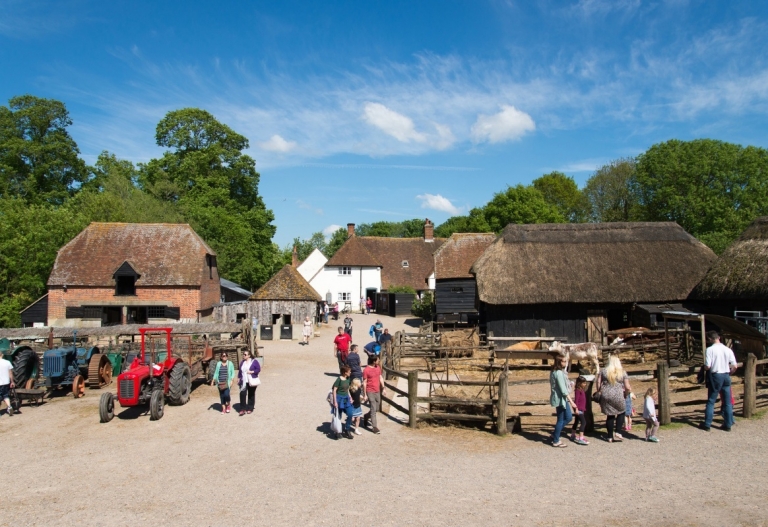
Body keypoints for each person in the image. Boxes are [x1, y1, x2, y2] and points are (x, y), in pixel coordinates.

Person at [702, 330, 737, 432]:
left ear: (710, 339)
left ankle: (707, 424)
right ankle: (728, 424)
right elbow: (734, 365)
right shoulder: (727, 349)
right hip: (726, 374)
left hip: (716, 375)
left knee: (711, 401)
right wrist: (730, 373)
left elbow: (708, 366)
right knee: (727, 402)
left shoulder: (709, 349)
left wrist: (704, 369)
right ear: (719, 338)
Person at [596, 355, 632, 442]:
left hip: (606, 395)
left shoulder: (603, 371)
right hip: (618, 395)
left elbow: (598, 382)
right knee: (622, 411)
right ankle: (618, 431)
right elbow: (627, 387)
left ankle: (609, 436)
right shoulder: (622, 372)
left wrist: (599, 391)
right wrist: (626, 394)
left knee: (610, 415)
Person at [549, 352, 575, 447]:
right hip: (560, 399)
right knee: (561, 419)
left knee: (568, 417)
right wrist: (572, 402)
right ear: (559, 362)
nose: (565, 363)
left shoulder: (554, 372)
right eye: (564, 361)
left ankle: (555, 434)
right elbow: (563, 390)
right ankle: (556, 440)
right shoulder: (558, 373)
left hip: (561, 398)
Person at [363, 355, 384, 434]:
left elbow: (380, 377)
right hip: (370, 391)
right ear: (374, 361)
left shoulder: (378, 367)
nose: (379, 361)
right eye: (378, 360)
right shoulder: (366, 370)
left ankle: (366, 416)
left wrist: (383, 387)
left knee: (376, 408)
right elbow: (364, 382)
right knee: (373, 408)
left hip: (377, 390)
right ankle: (374, 427)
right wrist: (365, 394)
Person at [332, 366, 354, 439]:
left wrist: (350, 397)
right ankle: (337, 431)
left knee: (350, 413)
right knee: (339, 416)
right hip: (339, 399)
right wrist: (335, 401)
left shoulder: (348, 379)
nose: (350, 373)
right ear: (345, 372)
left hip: (346, 399)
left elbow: (347, 390)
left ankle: (347, 429)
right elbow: (334, 390)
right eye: (349, 371)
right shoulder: (339, 380)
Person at [237, 350, 261, 416]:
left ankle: (250, 408)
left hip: (251, 380)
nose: (243, 355)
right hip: (243, 381)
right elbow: (240, 371)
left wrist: (252, 372)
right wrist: (238, 378)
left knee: (251, 394)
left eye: (245, 354)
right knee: (242, 394)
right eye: (243, 354)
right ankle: (242, 409)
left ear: (249, 355)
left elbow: (258, 369)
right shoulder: (242, 362)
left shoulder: (254, 362)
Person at [570, 376, 589, 445]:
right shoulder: (578, 391)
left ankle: (573, 435)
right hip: (579, 409)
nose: (585, 384)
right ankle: (581, 437)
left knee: (576, 422)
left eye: (585, 383)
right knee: (583, 422)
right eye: (583, 383)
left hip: (581, 409)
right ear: (579, 383)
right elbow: (576, 401)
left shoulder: (582, 390)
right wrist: (576, 409)